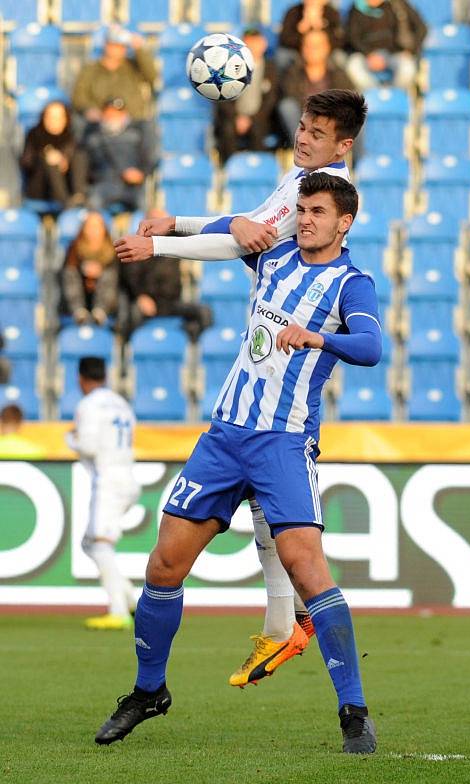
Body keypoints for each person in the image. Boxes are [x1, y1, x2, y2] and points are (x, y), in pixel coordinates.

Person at [96, 172, 381, 754]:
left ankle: (353, 709)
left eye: (318, 212)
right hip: (225, 435)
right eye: (301, 209)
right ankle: (149, 691)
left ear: (344, 222)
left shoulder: (353, 283)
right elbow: (233, 234)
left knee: (307, 567)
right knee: (163, 565)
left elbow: (372, 349)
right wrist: (173, 227)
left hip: (283, 440)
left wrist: (316, 338)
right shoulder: (274, 259)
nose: (305, 219)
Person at [123, 89, 368, 689]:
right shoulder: (301, 179)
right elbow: (248, 229)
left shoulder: (322, 190)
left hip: (289, 407)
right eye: (302, 124)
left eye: (316, 131)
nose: (303, 136)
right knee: (262, 513)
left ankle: (289, 623)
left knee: (287, 528)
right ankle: (280, 622)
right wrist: (182, 220)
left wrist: (162, 243)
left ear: (344, 145)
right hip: (251, 397)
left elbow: (245, 240)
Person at [66, 357, 140, 630]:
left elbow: (88, 445)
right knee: (90, 543)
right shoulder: (121, 403)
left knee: (99, 543)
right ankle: (130, 600)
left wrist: (70, 439)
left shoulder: (88, 405)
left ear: (80, 378)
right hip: (127, 475)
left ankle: (118, 611)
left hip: (108, 480)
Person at [119, 209, 213, 339]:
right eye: (155, 220)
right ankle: (128, 351)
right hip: (148, 302)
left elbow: (196, 236)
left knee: (204, 312)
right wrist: (140, 296)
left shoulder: (175, 239)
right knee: (131, 316)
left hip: (172, 302)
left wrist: (173, 223)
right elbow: (129, 276)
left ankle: (186, 343)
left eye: (163, 221)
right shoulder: (136, 245)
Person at [214, 28, 279, 163]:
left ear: (264, 44)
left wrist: (252, 119)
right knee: (227, 130)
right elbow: (222, 97)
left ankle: (258, 169)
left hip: (260, 117)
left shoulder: (272, 68)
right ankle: (229, 169)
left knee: (258, 130)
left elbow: (271, 99)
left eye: (256, 43)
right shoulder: (228, 68)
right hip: (234, 117)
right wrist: (237, 117)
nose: (253, 48)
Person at [278, 30, 354, 144]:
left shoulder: (338, 73)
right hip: (304, 125)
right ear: (302, 48)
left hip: (332, 127)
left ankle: (360, 160)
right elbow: (290, 96)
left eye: (317, 45)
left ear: (327, 48)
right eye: (308, 45)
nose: (312, 49)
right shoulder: (292, 73)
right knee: (287, 106)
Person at [82, 97, 155, 213]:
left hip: (131, 186)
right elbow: (84, 162)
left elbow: (150, 157)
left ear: (124, 114)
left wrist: (141, 173)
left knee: (144, 208)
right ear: (103, 114)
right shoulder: (93, 136)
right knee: (93, 205)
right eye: (109, 113)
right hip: (103, 184)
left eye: (117, 113)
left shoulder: (137, 133)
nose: (113, 117)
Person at [72, 26, 157, 123]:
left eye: (122, 46)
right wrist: (89, 110)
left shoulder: (134, 67)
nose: (117, 49)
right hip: (100, 125)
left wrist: (139, 49)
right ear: (106, 45)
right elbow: (78, 96)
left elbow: (152, 76)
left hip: (132, 124)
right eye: (114, 44)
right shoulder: (90, 69)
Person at [344, 0, 427, 91]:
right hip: (366, 55)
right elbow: (352, 37)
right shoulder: (356, 8)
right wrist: (368, 54)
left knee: (407, 67)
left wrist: (410, 50)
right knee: (353, 66)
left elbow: (421, 28)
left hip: (394, 53)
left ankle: (395, 97)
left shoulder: (398, 5)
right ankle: (374, 96)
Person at [19, 101, 87, 212]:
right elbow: (26, 163)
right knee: (49, 160)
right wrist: (44, 154)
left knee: (80, 155)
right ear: (43, 117)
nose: (54, 121)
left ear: (66, 119)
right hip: (40, 187)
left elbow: (73, 163)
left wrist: (64, 160)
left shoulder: (70, 137)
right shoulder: (34, 135)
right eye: (50, 117)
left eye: (59, 117)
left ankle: (79, 196)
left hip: (66, 184)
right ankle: (66, 204)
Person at [60, 211, 120, 326]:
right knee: (71, 272)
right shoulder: (73, 249)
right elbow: (66, 273)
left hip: (106, 299)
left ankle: (101, 311)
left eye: (97, 227)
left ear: (104, 229)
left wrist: (99, 272)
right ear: (83, 229)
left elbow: (118, 277)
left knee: (108, 274)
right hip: (80, 295)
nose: (93, 231)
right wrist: (82, 270)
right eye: (90, 227)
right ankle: (78, 312)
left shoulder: (113, 251)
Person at [277, 0, 344, 70]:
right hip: (298, 51)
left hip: (324, 53)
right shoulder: (293, 12)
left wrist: (320, 28)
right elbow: (284, 39)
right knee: (282, 56)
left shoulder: (332, 13)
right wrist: (301, 29)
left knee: (339, 57)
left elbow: (338, 40)